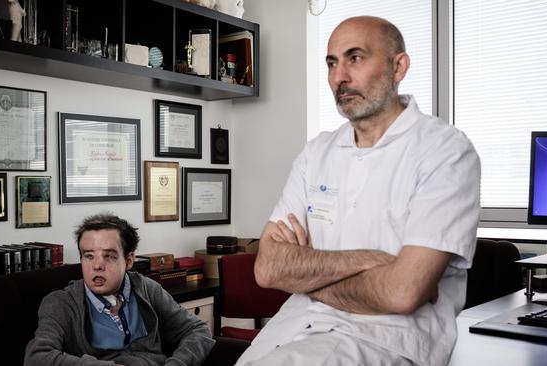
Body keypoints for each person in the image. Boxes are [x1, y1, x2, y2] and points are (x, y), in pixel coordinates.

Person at [236, 16, 481, 366]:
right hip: (290, 331)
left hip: (384, 340)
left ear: (399, 67)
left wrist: (305, 277)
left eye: (355, 58)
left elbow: (402, 293)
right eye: (332, 63)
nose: (340, 77)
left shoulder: (445, 153)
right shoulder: (316, 153)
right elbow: (268, 268)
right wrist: (370, 260)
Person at [24, 213, 214, 366]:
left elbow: (197, 330)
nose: (97, 266)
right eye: (89, 256)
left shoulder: (147, 288)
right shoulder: (60, 303)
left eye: (109, 256)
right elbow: (37, 358)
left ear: (129, 261)